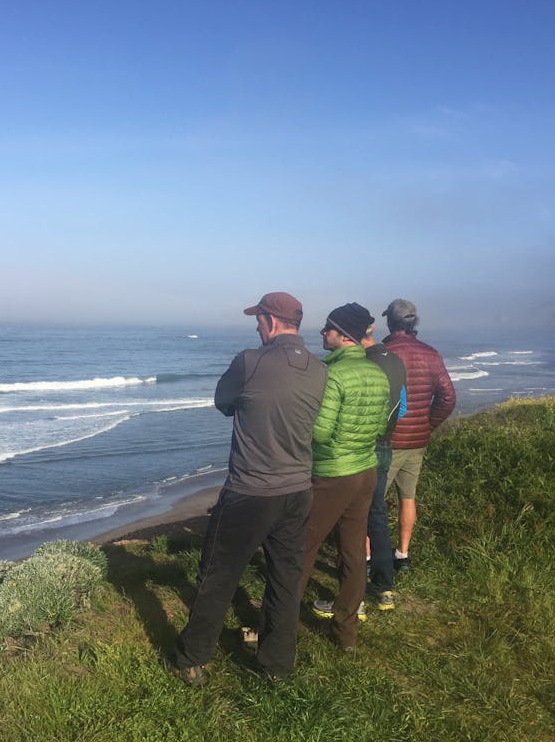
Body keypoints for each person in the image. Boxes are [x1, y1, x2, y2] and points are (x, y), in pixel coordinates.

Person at [174, 292, 327, 685]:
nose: (255, 326)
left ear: (272, 322)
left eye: (258, 319)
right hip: (298, 490)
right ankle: (277, 667)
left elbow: (223, 401)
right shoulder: (318, 369)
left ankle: (192, 658)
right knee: (285, 579)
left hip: (250, 491)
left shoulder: (250, 362)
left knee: (218, 575)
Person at [299, 303, 389, 651]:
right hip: (366, 470)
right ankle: (345, 634)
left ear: (344, 335)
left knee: (302, 547)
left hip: (333, 473)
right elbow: (381, 426)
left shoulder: (331, 375)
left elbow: (320, 433)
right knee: (352, 554)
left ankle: (279, 627)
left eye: (328, 328)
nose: (322, 333)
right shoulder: (377, 373)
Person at [381, 299, 456, 574]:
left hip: (389, 441)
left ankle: (366, 559)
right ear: (414, 323)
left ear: (390, 322)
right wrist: (427, 425)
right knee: (408, 497)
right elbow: (448, 398)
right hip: (417, 441)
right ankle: (403, 556)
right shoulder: (432, 354)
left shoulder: (384, 353)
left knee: (371, 503)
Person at [362, 324, 407, 609]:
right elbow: (401, 407)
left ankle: (353, 595)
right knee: (376, 514)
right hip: (386, 444)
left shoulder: (362, 364)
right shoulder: (394, 360)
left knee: (351, 516)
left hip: (363, 446)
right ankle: (384, 587)